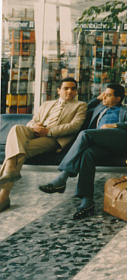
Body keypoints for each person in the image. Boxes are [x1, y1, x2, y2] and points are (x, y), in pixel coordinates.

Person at [39, 83, 127, 220]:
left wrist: (114, 125)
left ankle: (63, 177)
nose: (105, 97)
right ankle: (87, 202)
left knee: (85, 134)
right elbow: (84, 108)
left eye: (109, 95)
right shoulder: (99, 108)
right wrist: (99, 98)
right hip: (102, 144)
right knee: (88, 154)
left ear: (118, 98)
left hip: (120, 139)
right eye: (104, 94)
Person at [0, 78, 87, 213]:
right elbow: (33, 121)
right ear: (59, 90)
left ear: (76, 91)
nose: (70, 91)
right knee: (17, 128)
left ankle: (4, 196)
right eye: (66, 88)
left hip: (53, 139)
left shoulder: (80, 105)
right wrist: (33, 126)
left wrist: (49, 132)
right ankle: (10, 168)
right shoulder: (46, 104)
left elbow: (74, 126)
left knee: (17, 152)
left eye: (73, 88)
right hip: (35, 132)